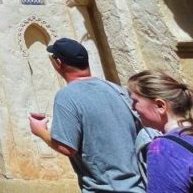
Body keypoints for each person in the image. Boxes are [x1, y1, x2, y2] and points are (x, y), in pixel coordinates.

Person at [28, 38, 145, 192]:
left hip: (105, 188)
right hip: (138, 185)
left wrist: (40, 131)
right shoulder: (115, 88)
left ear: (58, 63)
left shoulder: (67, 96)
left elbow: (66, 148)